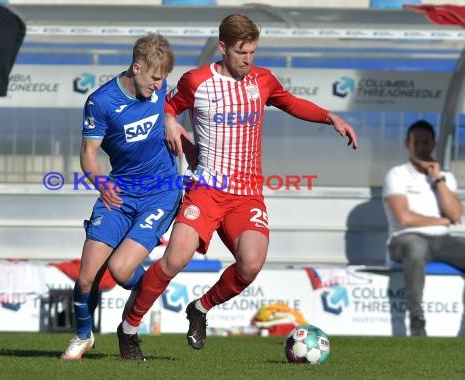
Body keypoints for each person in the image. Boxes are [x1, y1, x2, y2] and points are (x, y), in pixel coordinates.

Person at [116, 13, 358, 361]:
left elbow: (291, 102)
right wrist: (171, 121)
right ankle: (129, 329)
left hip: (247, 194)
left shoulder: (263, 80)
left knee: (251, 264)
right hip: (206, 189)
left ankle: (200, 308)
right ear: (223, 48)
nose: (248, 60)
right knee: (175, 259)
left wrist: (331, 116)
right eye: (242, 52)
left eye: (253, 53)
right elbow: (165, 105)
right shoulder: (197, 81)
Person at [60, 33, 183, 360]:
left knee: (121, 270)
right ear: (136, 67)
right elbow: (88, 153)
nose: (158, 86)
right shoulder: (100, 102)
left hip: (161, 192)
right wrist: (101, 183)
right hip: (118, 193)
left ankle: (141, 306)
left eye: (162, 79)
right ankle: (83, 336)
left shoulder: (159, 88)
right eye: (154, 78)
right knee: (86, 278)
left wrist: (171, 119)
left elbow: (176, 103)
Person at [383, 119, 465, 337]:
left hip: (442, 240)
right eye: (416, 143)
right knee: (416, 248)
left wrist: (438, 179)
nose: (421, 147)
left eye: (426, 142)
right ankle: (417, 322)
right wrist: (441, 220)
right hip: (405, 239)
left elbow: (456, 214)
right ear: (407, 144)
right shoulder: (397, 174)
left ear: (434, 144)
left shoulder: (445, 176)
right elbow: (404, 218)